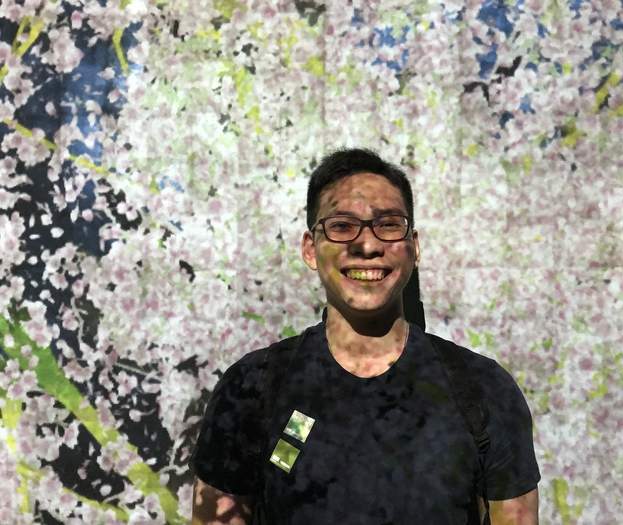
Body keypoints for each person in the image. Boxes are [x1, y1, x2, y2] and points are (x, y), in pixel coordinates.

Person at [190, 148, 540, 524]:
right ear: (310, 249)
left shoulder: (483, 389)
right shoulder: (252, 389)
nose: (368, 245)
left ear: (414, 247)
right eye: (342, 226)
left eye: (388, 225)